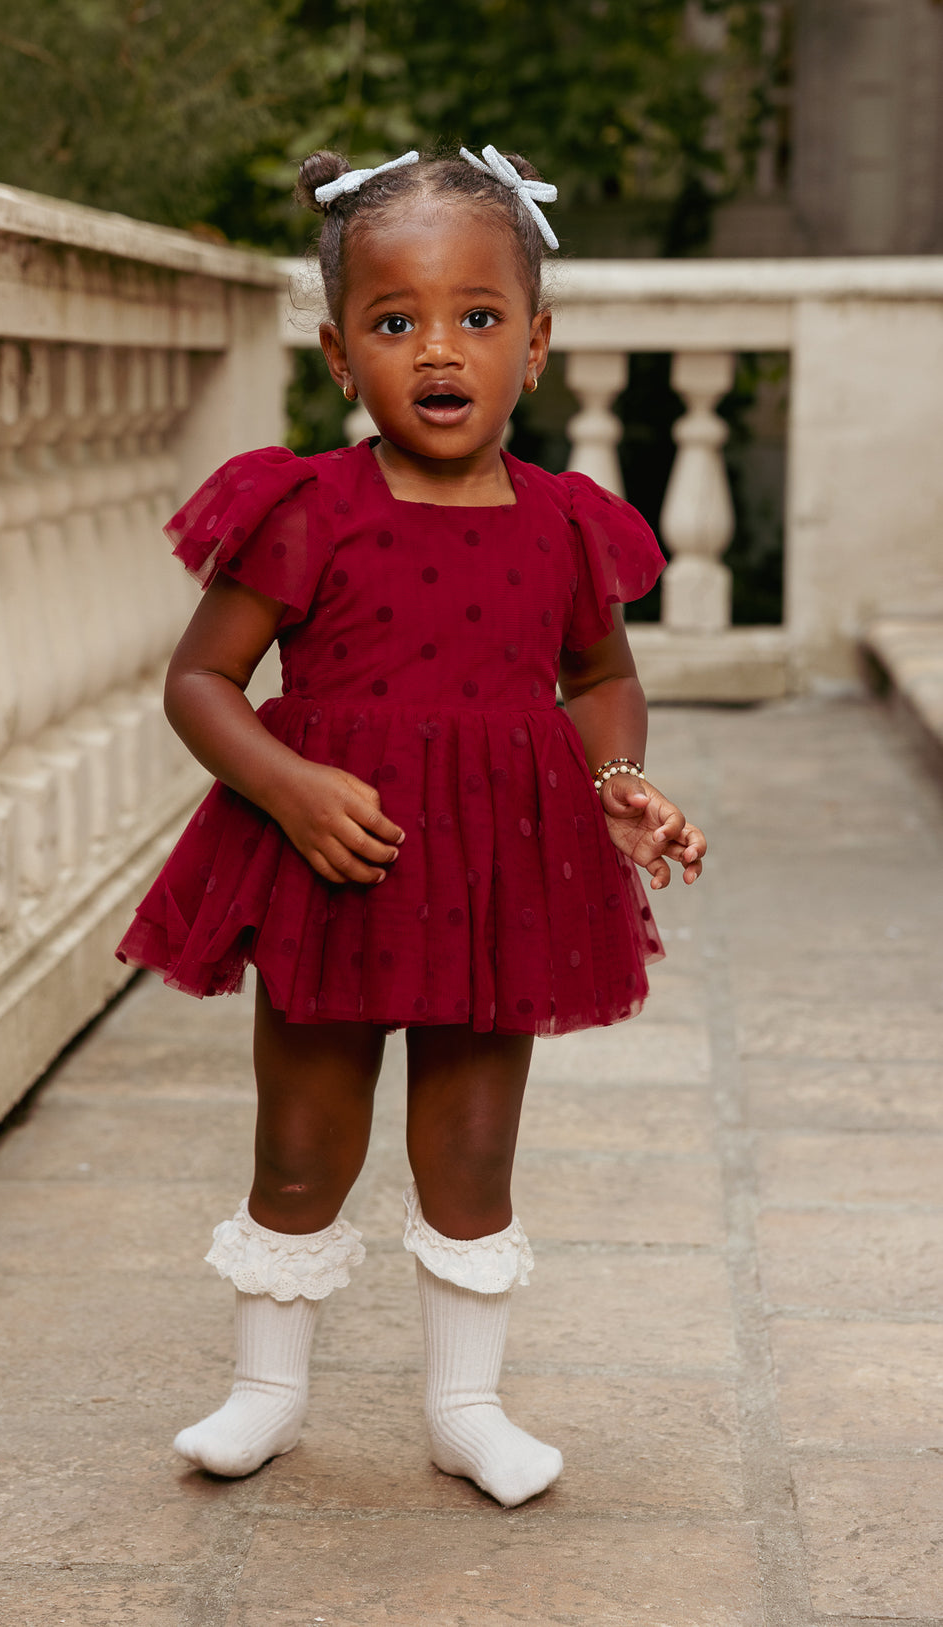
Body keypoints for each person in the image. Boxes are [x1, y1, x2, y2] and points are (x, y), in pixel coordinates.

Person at [117, 144, 706, 1509]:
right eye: (395, 322)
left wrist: (620, 778)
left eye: (477, 316)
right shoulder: (307, 512)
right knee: (302, 1144)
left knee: (472, 1148)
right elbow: (200, 681)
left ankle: (465, 1410)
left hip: (500, 881)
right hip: (335, 874)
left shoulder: (564, 526)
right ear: (339, 355)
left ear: (534, 346)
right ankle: (266, 1395)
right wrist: (289, 785)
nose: (439, 350)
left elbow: (599, 678)